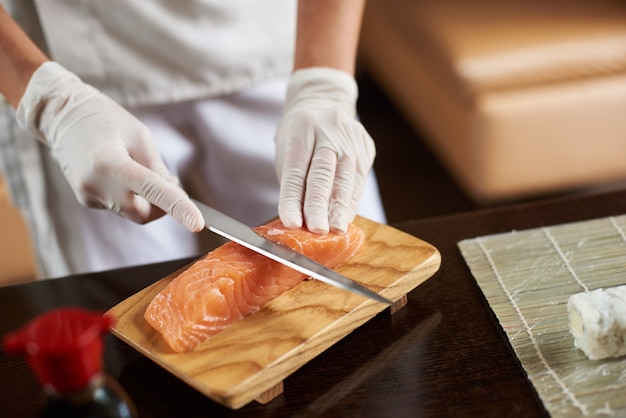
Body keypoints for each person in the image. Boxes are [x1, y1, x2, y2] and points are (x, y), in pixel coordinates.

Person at [0, 0, 386, 279]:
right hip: (77, 80)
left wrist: (325, 81)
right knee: (123, 326)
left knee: (355, 261)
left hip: (273, 48)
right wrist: (51, 103)